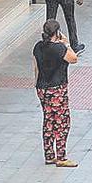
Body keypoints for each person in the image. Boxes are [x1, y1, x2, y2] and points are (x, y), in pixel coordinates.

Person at [33, 19, 79, 167]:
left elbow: (36, 68)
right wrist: (66, 43)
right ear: (57, 32)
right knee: (62, 122)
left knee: (48, 121)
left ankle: (49, 155)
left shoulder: (38, 47)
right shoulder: (59, 48)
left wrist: (37, 86)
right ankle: (61, 156)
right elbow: (73, 58)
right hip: (57, 89)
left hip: (42, 88)